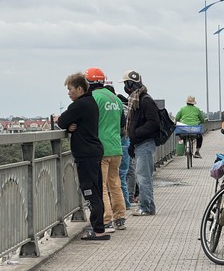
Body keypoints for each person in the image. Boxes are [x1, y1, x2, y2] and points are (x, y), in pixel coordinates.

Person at [56, 72, 109, 240]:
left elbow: (62, 121)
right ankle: (99, 227)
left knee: (89, 191)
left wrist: (70, 125)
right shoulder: (91, 102)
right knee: (96, 190)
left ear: (79, 89)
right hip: (93, 152)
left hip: (86, 154)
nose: (68, 93)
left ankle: (98, 230)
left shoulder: (79, 105)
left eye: (70, 89)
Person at [85, 68, 127, 232]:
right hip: (116, 146)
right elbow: (122, 123)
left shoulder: (94, 98)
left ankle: (106, 219)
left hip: (100, 148)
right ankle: (120, 218)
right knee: (115, 184)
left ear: (89, 83)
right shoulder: (114, 98)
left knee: (100, 186)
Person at [122, 70, 159, 216]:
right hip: (139, 144)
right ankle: (147, 205)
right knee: (141, 176)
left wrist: (136, 133)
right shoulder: (136, 99)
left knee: (143, 177)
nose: (125, 88)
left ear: (131, 84)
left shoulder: (145, 100)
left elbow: (153, 122)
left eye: (126, 84)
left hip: (145, 143)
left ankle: (147, 207)